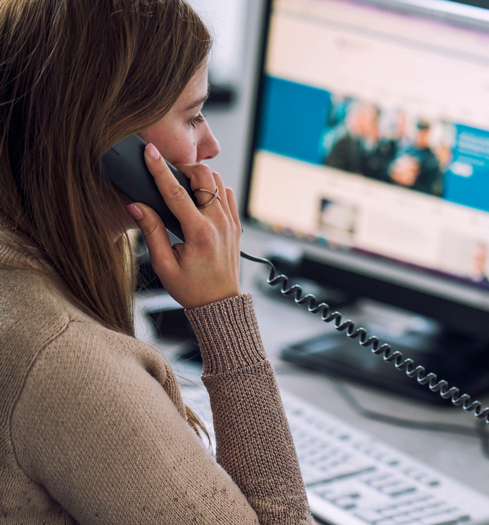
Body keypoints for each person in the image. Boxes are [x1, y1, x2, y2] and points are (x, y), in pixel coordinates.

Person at [0, 1, 312, 523]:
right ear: (108, 141)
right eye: (192, 116)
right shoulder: (64, 360)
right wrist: (222, 309)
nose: (210, 145)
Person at [389, 120, 443, 196]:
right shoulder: (405, 149)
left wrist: (411, 181)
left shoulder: (432, 161)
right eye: (418, 132)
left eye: (423, 133)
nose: (420, 136)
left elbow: (430, 189)